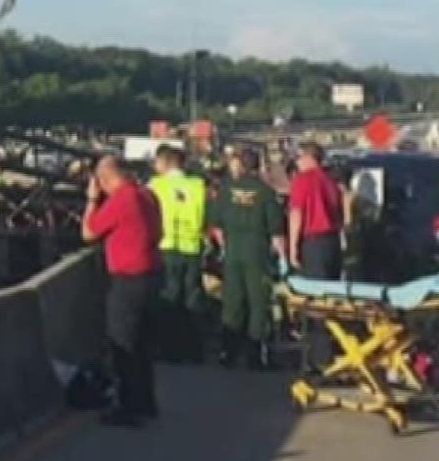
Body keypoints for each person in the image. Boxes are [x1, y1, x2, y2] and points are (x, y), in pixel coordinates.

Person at [83, 155, 162, 426]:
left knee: (123, 344)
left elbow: (89, 232)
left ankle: (129, 406)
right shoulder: (147, 195)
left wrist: (92, 201)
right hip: (151, 275)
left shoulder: (121, 200)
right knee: (142, 344)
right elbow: (158, 232)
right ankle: (146, 401)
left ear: (104, 180)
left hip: (128, 278)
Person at [210, 147, 286, 370]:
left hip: (233, 252)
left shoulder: (226, 190)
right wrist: (284, 259)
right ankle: (255, 356)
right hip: (258, 252)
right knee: (258, 303)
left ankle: (229, 352)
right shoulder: (266, 192)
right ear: (259, 165)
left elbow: (217, 227)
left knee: (232, 302)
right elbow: (276, 233)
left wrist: (226, 247)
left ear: (241, 165)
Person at [147, 145, 210, 363]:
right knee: (192, 297)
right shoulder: (198, 185)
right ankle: (193, 349)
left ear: (165, 163)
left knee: (168, 298)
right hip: (192, 248)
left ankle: (169, 349)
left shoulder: (156, 185)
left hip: (166, 246)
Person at [286, 141, 344, 279]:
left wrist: (293, 247)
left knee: (316, 289)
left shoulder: (302, 180)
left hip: (313, 243)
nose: (296, 162)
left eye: (298, 157)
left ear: (309, 158)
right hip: (332, 241)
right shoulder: (330, 180)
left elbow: (296, 214)